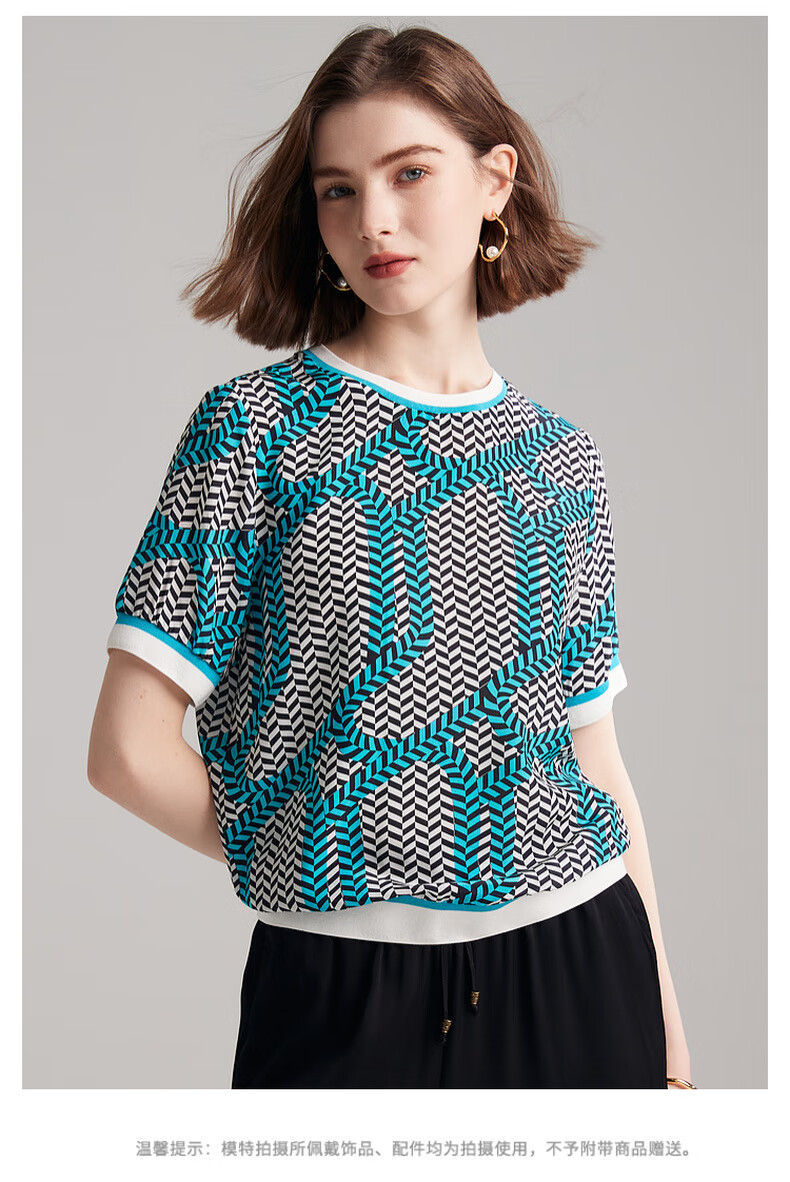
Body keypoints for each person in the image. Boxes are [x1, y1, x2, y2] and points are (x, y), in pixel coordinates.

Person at [87, 23, 695, 1090]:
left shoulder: (560, 458)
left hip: (584, 965)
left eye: (409, 173)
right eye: (338, 189)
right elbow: (126, 752)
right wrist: (321, 848)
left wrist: (671, 1044)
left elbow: (594, 759)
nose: (373, 218)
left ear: (494, 181)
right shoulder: (254, 432)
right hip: (343, 988)